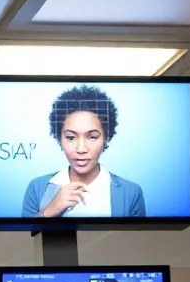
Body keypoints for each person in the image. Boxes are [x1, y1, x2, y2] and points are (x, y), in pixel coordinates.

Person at [21, 85, 146, 219]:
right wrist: (49, 211)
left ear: (106, 137)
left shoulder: (131, 192)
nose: (81, 149)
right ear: (59, 138)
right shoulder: (37, 187)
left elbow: (137, 240)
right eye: (70, 137)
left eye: (92, 137)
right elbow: (24, 238)